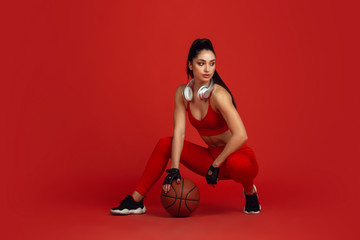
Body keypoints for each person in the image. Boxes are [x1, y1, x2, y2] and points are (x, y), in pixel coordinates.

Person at [110, 38, 261, 215]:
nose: (207, 69)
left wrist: (217, 164)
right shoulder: (183, 94)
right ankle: (136, 201)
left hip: (236, 157)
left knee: (238, 164)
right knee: (165, 142)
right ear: (190, 65)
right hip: (210, 158)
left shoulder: (219, 95)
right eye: (201, 63)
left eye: (212, 64)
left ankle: (250, 192)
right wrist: (175, 169)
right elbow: (179, 133)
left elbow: (241, 136)